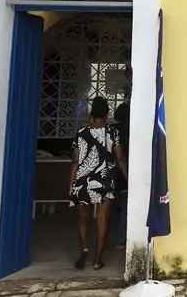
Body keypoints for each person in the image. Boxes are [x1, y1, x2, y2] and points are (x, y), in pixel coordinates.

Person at [69, 96, 128, 271]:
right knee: (102, 219)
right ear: (106, 114)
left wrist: (71, 184)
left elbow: (75, 161)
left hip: (82, 181)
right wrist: (128, 177)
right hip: (104, 181)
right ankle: (97, 260)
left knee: (83, 218)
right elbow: (120, 158)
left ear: (92, 113)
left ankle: (85, 247)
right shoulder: (113, 133)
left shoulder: (81, 132)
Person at [108, 102, 130, 249]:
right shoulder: (133, 129)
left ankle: (109, 234)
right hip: (126, 169)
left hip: (111, 171)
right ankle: (122, 238)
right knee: (125, 204)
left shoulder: (112, 130)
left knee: (113, 204)